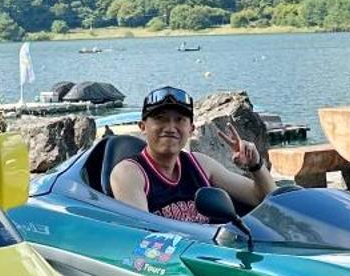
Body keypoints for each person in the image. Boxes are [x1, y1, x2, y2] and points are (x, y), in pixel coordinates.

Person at [109, 85, 275, 223]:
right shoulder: (129, 173)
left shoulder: (201, 165)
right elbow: (141, 231)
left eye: (179, 120)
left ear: (191, 129)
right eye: (160, 118)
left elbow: (264, 200)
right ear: (143, 127)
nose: (170, 127)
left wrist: (256, 165)